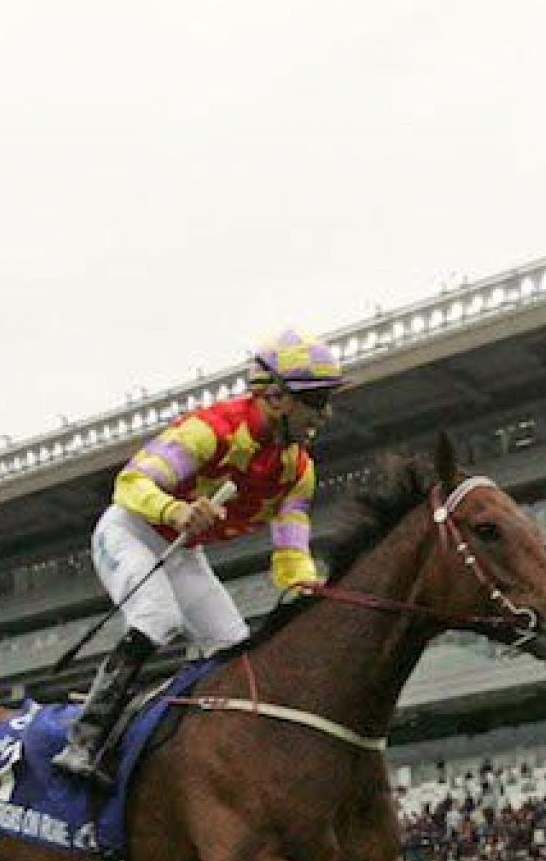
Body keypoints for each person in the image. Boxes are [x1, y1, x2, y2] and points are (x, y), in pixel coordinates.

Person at [53, 328, 348, 784]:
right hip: (129, 530)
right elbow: (132, 484)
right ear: (274, 397)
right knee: (157, 618)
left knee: (234, 648)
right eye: (316, 400)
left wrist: (307, 596)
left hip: (183, 553)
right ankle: (84, 741)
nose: (325, 414)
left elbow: (291, 554)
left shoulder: (299, 472)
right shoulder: (211, 430)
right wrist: (175, 509)